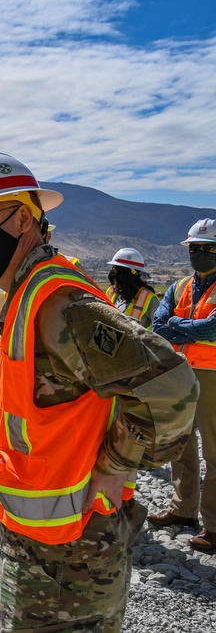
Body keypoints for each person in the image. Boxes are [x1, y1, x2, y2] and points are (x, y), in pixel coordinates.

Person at [0, 151, 198, 631]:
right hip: (41, 543)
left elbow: (173, 388)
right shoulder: (23, 291)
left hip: (74, 553)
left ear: (22, 219)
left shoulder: (61, 301)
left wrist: (116, 467)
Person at [149, 218, 216, 553]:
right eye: (195, 248)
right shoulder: (178, 287)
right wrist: (186, 325)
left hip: (213, 377)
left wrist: (179, 324)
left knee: (215, 453)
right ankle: (183, 510)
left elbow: (213, 330)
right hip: (181, 374)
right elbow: (158, 326)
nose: (199, 254)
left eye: (207, 248)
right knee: (181, 445)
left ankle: (215, 526)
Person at [105, 248, 158, 329]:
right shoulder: (111, 292)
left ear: (126, 274)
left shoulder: (148, 298)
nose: (112, 273)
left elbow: (160, 327)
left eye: (115, 269)